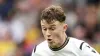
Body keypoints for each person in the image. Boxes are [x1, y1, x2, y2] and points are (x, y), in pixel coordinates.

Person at [31, 5, 100, 56]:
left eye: (52, 28)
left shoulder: (80, 48)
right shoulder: (38, 51)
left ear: (64, 28)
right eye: (44, 29)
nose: (48, 33)